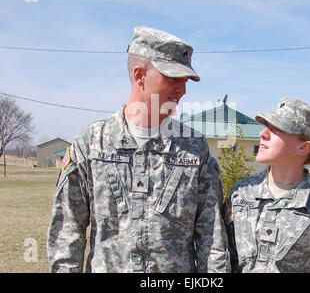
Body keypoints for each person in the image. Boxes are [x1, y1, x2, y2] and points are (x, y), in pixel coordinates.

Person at [47, 26, 230, 273]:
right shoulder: (92, 143)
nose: (182, 90)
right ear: (139, 75)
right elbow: (67, 231)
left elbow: (212, 238)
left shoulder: (194, 149)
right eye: (172, 78)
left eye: (185, 81)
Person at [224, 97, 310, 273]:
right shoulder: (242, 193)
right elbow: (222, 258)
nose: (263, 134)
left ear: (304, 147)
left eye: (276, 130)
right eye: (266, 127)